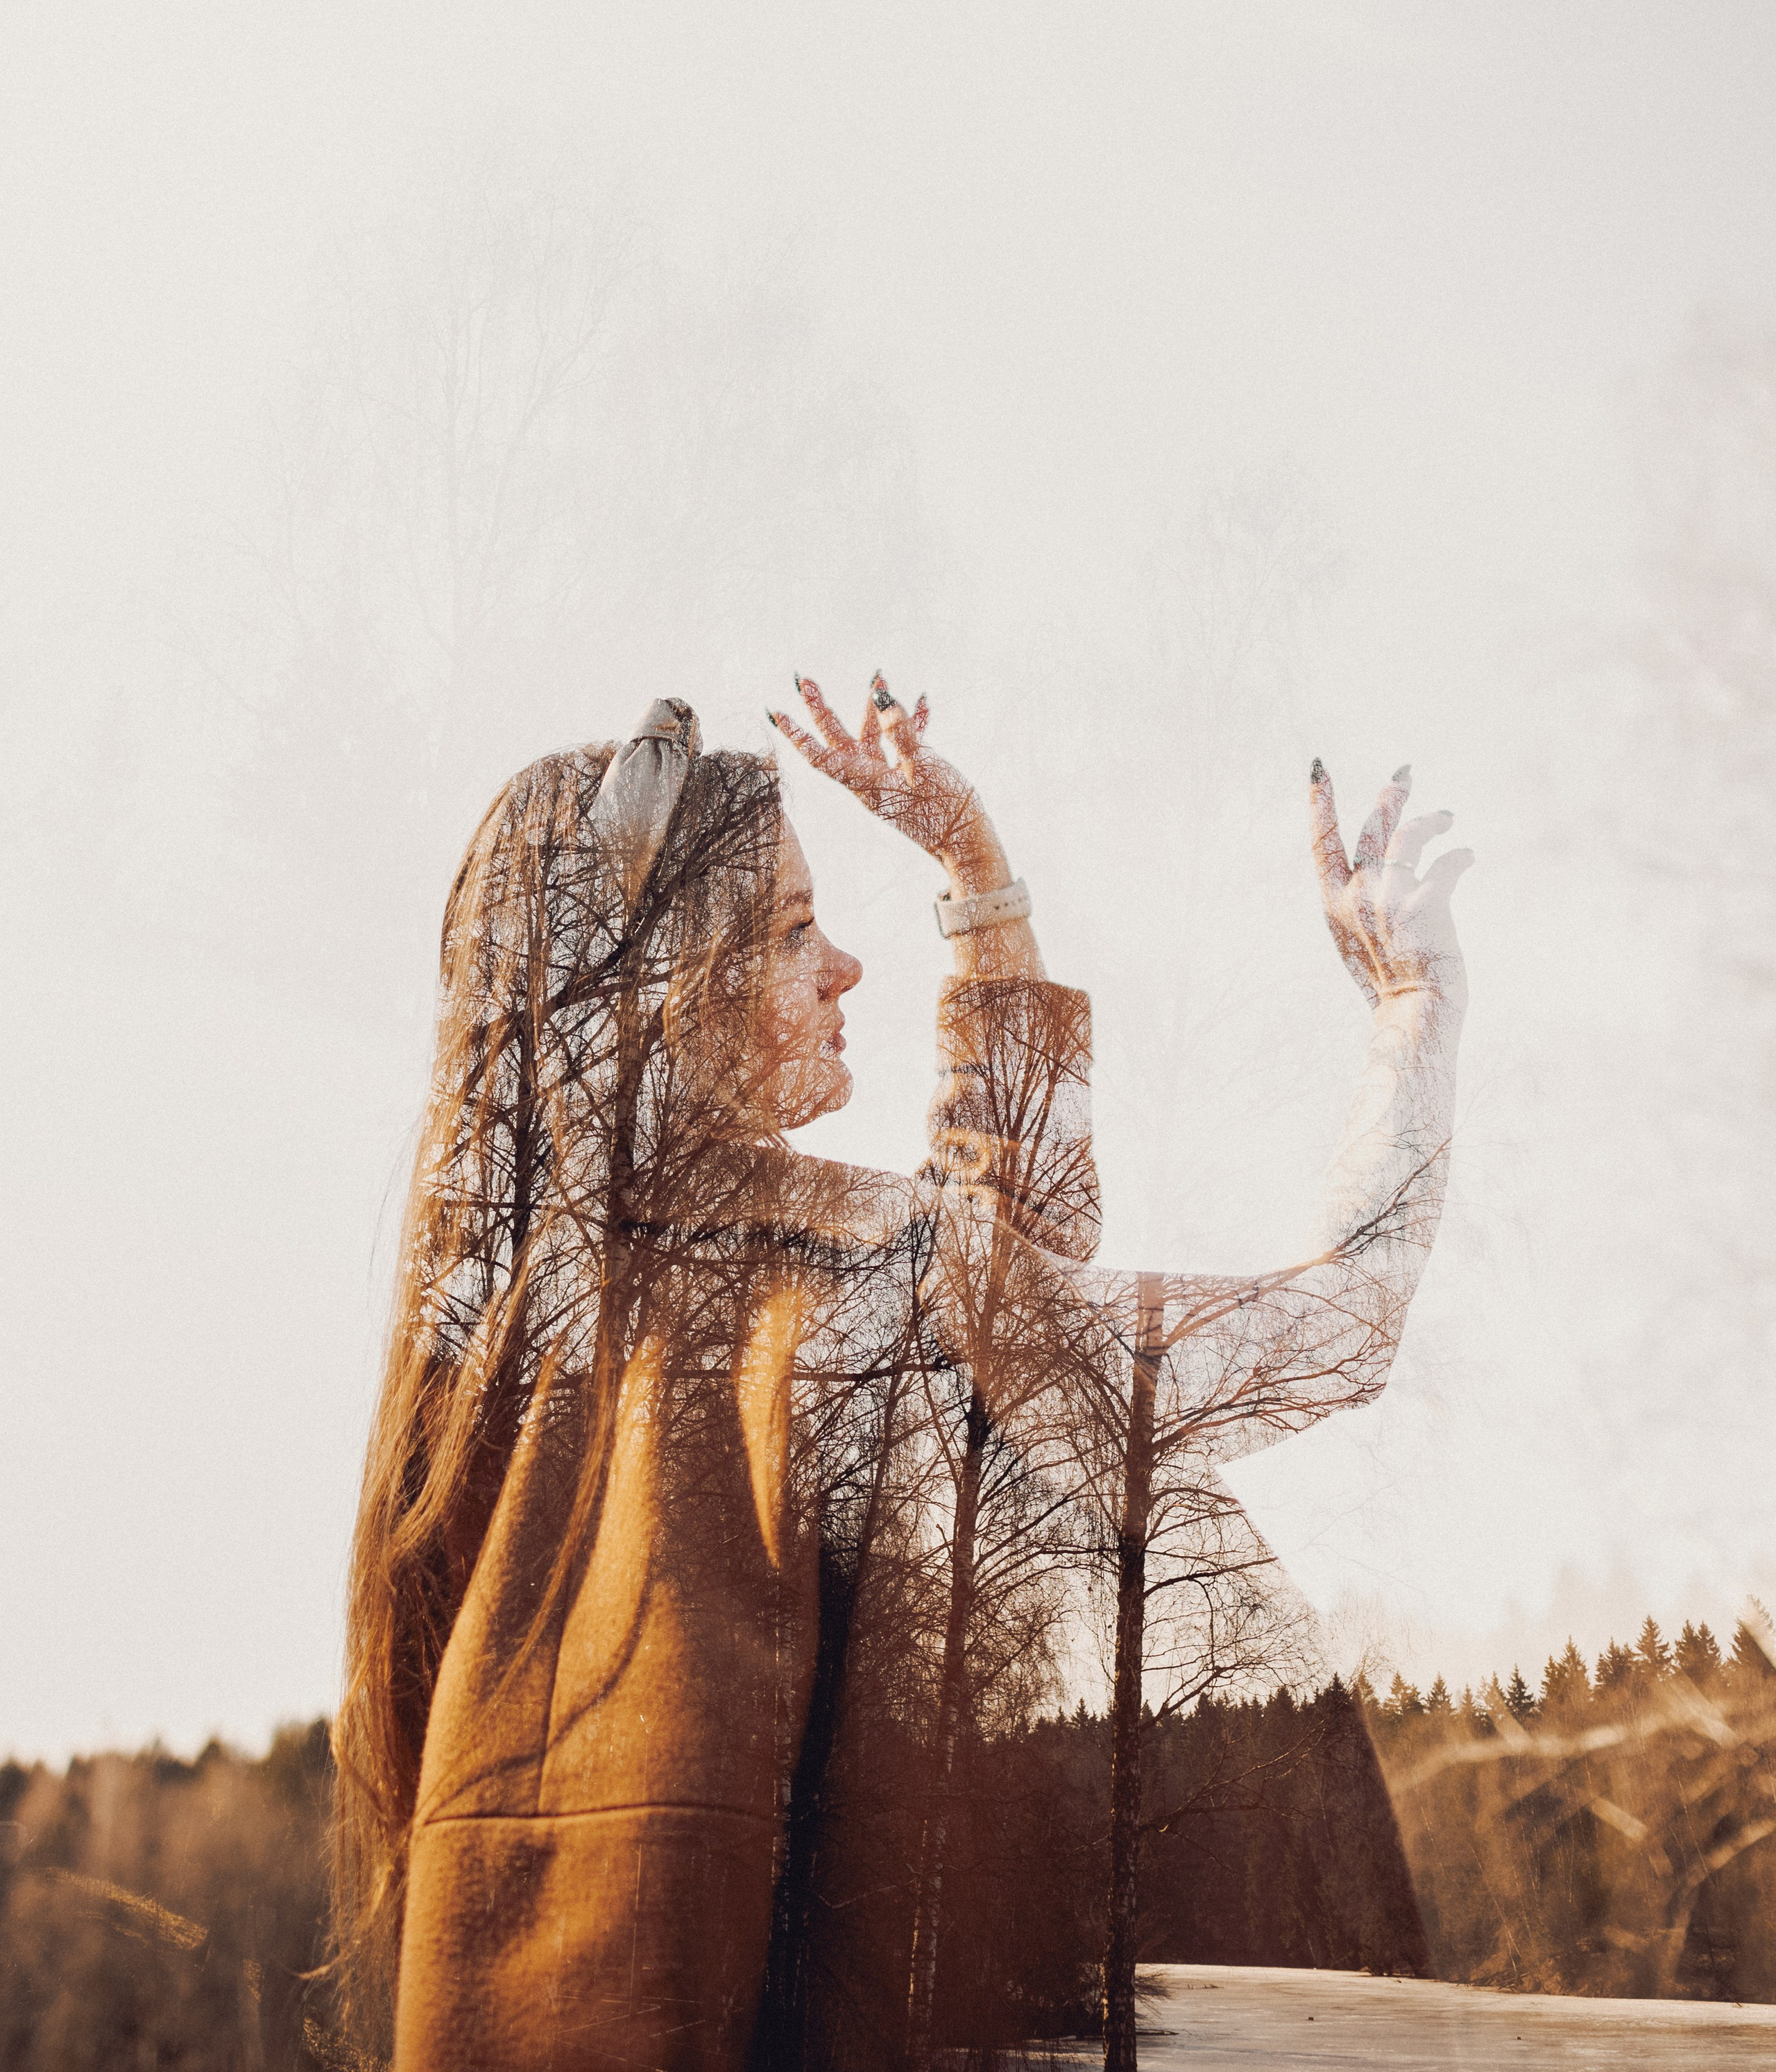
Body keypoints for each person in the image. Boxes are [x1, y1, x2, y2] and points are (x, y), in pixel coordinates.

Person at [332, 678, 1470, 2071]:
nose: (843, 968)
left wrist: (980, 886)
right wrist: (1413, 1015)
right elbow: (1325, 1331)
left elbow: (1000, 1258)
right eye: (793, 929)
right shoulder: (849, 1289)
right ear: (669, 986)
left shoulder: (518, 1330)